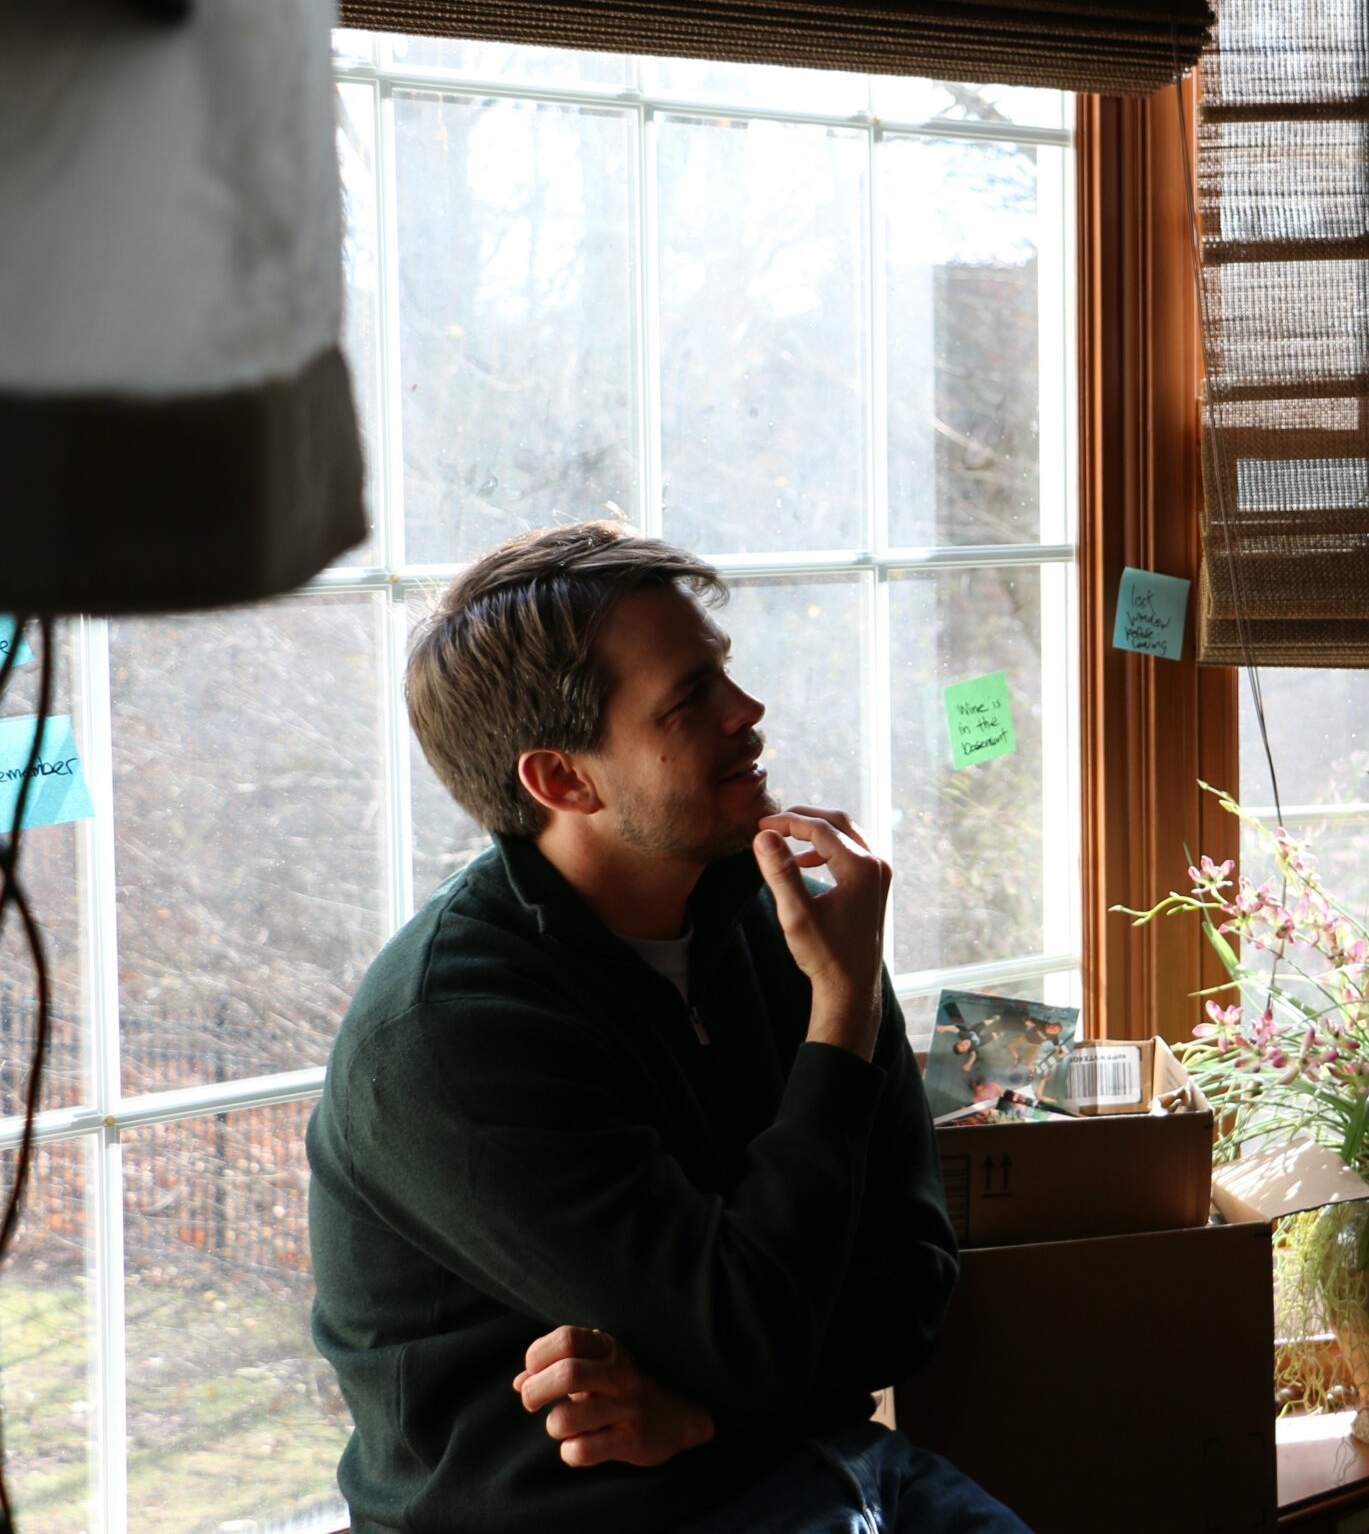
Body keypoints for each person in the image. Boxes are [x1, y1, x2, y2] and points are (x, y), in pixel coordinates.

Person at [306, 523, 1031, 1533]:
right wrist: (842, 1016)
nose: (748, 710)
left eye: (721, 669)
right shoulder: (446, 1035)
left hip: (833, 1463)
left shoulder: (788, 920)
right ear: (563, 780)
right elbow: (752, 1331)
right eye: (690, 697)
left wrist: (703, 1406)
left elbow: (911, 1283)